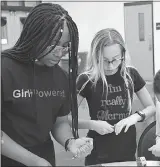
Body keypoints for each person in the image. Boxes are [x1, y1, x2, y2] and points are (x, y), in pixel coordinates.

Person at [1, 3, 93, 166]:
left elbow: (59, 122)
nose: (59, 52)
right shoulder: (5, 69)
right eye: (53, 44)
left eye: (65, 46)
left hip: (45, 157)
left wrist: (69, 142)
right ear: (34, 36)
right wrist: (34, 161)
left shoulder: (62, 77)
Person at [70, 28, 156, 165]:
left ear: (123, 54)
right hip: (97, 151)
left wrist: (135, 117)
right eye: (104, 60)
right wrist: (93, 124)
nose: (110, 65)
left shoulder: (131, 74)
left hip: (126, 149)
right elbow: (67, 118)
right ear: (95, 56)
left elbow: (152, 107)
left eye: (115, 60)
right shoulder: (86, 79)